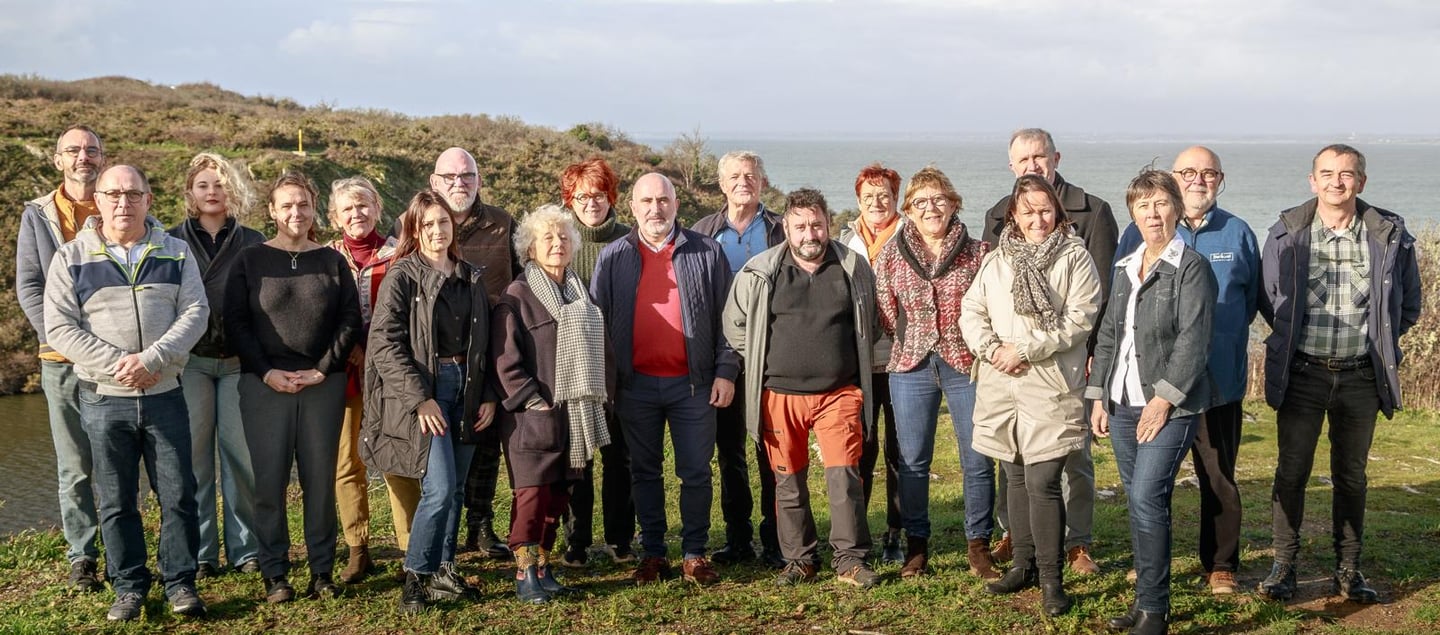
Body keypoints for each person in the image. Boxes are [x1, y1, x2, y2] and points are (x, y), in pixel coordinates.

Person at [1256, 144, 1422, 604]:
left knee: (1352, 475)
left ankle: (1348, 571)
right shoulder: (1287, 233)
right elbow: (1271, 300)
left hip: (1361, 378)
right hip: (1303, 374)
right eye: (1326, 173)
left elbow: (1407, 306)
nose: (1336, 181)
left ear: (1361, 182)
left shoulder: (1389, 234)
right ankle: (1283, 568)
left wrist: (1381, 342)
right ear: (1312, 181)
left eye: (1346, 174)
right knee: (1291, 472)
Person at [44, 165, 210, 621]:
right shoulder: (71, 257)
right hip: (103, 397)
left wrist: (152, 360)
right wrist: (121, 366)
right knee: (117, 500)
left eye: (133, 193)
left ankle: (180, 583)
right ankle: (129, 587)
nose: (123, 202)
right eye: (113, 194)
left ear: (148, 199)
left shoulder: (176, 252)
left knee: (178, 495)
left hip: (165, 393)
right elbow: (59, 326)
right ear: (97, 200)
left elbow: (196, 312)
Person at [1116, 147, 1259, 594]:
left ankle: (1220, 564)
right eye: (1189, 172)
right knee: (1146, 479)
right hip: (1155, 383)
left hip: (1216, 379)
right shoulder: (1135, 233)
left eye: (1209, 172)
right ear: (1174, 180)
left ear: (1220, 179)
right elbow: (1123, 303)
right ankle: (1150, 559)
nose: (1199, 180)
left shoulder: (1237, 232)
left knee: (1217, 475)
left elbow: (1251, 300)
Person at [723, 188, 881, 589]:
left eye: (816, 224)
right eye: (800, 227)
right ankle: (799, 560)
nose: (809, 234)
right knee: (788, 481)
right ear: (786, 229)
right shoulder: (760, 271)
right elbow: (735, 325)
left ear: (828, 224)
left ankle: (850, 560)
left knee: (844, 478)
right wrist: (766, 356)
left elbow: (872, 322)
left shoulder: (853, 267)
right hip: (778, 395)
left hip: (839, 393)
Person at [960, 175, 1102, 618]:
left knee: (1043, 482)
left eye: (1045, 210)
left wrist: (1022, 348)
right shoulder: (998, 260)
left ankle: (1051, 579)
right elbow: (972, 311)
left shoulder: (1075, 257)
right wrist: (991, 350)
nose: (1037, 219)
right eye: (1028, 212)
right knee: (1016, 476)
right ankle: (1022, 564)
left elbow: (1079, 321)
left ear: (1056, 212)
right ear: (1014, 217)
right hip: (1002, 387)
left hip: (1051, 384)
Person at [590, 173, 739, 586]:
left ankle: (694, 552)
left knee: (695, 471)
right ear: (633, 207)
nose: (655, 209)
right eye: (647, 201)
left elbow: (729, 321)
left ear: (676, 205)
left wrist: (726, 371)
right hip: (635, 386)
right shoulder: (614, 256)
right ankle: (653, 552)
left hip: (693, 385)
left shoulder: (706, 251)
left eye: (663, 200)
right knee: (644, 472)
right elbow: (596, 323)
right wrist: (605, 383)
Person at [983, 128, 1117, 575]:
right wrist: (996, 348)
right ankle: (1019, 536)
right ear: (1012, 167)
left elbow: (1098, 293)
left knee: (1071, 454)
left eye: (1039, 157)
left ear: (1056, 158)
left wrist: (1095, 350)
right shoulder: (998, 215)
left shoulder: (1093, 211)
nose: (1032, 165)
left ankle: (1076, 542)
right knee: (1016, 459)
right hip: (1012, 371)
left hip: (1069, 358)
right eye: (1023, 160)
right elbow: (988, 293)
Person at [1088, 168, 1217, 635]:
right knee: (1141, 501)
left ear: (1178, 210)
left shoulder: (1192, 268)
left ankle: (1156, 612)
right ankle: (1145, 603)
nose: (1153, 213)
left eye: (1161, 203)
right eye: (1143, 205)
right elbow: (1109, 335)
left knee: (1146, 496)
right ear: (1133, 214)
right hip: (1121, 403)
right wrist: (1099, 394)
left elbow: (1193, 341)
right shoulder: (1125, 266)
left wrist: (1163, 401)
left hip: (1169, 406)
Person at [225, 172, 362, 603]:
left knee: (320, 482)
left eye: (302, 204)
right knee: (269, 483)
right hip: (265, 385)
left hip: (322, 384)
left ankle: (322, 571)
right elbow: (237, 324)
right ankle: (275, 573)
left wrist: (323, 369)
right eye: (286, 205)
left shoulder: (332, 261)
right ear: (272, 211)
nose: (295, 213)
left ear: (314, 207)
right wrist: (266, 371)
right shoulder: (250, 260)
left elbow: (349, 320)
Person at [362, 190, 495, 614]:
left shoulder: (471, 276)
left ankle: (444, 571)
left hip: (467, 389)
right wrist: (421, 400)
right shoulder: (403, 276)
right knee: (437, 489)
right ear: (414, 231)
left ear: (453, 225)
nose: (437, 231)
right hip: (426, 390)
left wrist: (487, 394)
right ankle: (416, 578)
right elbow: (383, 345)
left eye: (443, 222)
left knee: (455, 489)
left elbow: (486, 345)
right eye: (427, 225)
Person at [873, 166, 993, 579]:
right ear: (907, 209)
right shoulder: (891, 253)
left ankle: (978, 544)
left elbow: (989, 306)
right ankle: (916, 547)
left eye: (939, 199)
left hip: (966, 363)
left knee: (977, 457)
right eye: (920, 201)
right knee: (912, 460)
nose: (931, 208)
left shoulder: (979, 252)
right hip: (910, 365)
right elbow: (886, 310)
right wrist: (914, 337)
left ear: (954, 203)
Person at [492, 205, 614, 603]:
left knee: (559, 496)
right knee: (532, 496)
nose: (557, 244)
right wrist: (533, 401)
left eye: (563, 237)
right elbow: (504, 360)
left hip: (574, 417)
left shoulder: (580, 291)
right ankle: (524, 573)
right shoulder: (518, 296)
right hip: (533, 418)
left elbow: (602, 351)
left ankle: (543, 570)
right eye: (547, 238)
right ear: (529, 248)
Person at [415, 147, 521, 560]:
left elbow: (519, 281)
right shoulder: (424, 224)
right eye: (451, 176)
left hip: (492, 348)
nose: (460, 184)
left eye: (468, 176)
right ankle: (440, 535)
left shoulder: (502, 224)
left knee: (486, 440)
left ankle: (479, 524)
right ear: (434, 181)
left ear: (479, 180)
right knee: (442, 452)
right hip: (437, 355)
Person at [16, 124, 106, 591]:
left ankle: (123, 551)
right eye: (73, 150)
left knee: (117, 462)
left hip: (114, 361)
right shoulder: (37, 215)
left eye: (91, 150)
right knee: (74, 466)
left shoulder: (121, 203)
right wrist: (65, 339)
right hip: (61, 359)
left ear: (103, 160)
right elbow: (29, 285)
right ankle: (83, 555)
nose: (83, 157)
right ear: (58, 160)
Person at [169, 152, 265, 579]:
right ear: (190, 192)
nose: (212, 192)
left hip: (237, 362)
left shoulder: (253, 240)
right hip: (189, 361)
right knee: (195, 462)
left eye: (220, 184)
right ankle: (203, 551)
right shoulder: (169, 240)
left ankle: (244, 550)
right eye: (204, 185)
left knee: (240, 458)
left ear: (233, 191)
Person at [690, 150, 785, 568]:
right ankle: (738, 538)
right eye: (734, 176)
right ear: (721, 184)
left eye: (750, 175)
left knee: (773, 449)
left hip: (773, 356)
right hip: (723, 358)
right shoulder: (702, 233)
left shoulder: (782, 230)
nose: (742, 181)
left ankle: (778, 538)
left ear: (762, 182)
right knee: (730, 452)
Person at [326, 176, 421, 583]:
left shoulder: (399, 254)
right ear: (334, 216)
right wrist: (346, 348)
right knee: (348, 463)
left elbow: (408, 315)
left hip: (390, 374)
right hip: (343, 371)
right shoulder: (326, 256)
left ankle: (411, 549)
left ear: (377, 209)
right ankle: (358, 548)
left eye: (363, 205)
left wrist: (376, 353)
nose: (356, 213)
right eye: (347, 208)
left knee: (398, 459)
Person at [556, 158, 636, 568]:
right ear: (570, 200)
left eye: (599, 195)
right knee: (578, 456)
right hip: (575, 368)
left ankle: (621, 538)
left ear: (612, 197)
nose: (592, 203)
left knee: (620, 457)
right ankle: (577, 541)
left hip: (622, 367)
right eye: (582, 196)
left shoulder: (630, 239)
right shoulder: (561, 241)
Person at [837, 162, 905, 564]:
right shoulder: (845, 242)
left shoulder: (910, 235)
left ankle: (897, 532)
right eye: (868, 197)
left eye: (884, 195)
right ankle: (856, 531)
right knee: (860, 447)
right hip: (858, 362)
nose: (876, 203)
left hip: (900, 361)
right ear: (858, 200)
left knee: (901, 451)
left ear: (896, 199)